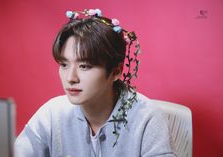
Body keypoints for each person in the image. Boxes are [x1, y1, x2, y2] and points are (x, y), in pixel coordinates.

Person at [15, 9, 176, 157]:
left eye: (84, 66)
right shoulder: (52, 114)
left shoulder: (147, 119)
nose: (71, 78)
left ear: (116, 72)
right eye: (64, 65)